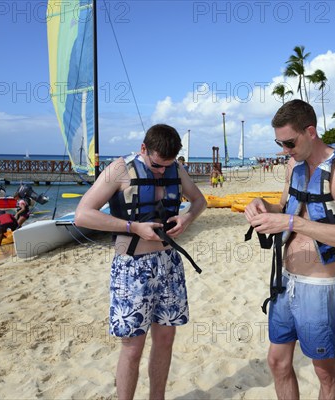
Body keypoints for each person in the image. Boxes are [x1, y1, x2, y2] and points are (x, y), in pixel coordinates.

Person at [244, 100, 335, 399]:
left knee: (324, 372)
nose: (284, 150)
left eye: (289, 142)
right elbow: (288, 206)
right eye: (279, 143)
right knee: (277, 361)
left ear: (310, 131)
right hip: (285, 282)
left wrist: (289, 222)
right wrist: (264, 205)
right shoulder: (294, 165)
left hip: (318, 286)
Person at [74, 124, 207, 400]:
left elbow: (199, 200)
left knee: (166, 340)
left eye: (166, 166)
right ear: (143, 149)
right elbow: (83, 215)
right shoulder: (119, 170)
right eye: (157, 165)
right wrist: (133, 227)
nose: (161, 172)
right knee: (132, 347)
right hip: (132, 267)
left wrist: (187, 217)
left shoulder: (176, 169)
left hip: (169, 264)